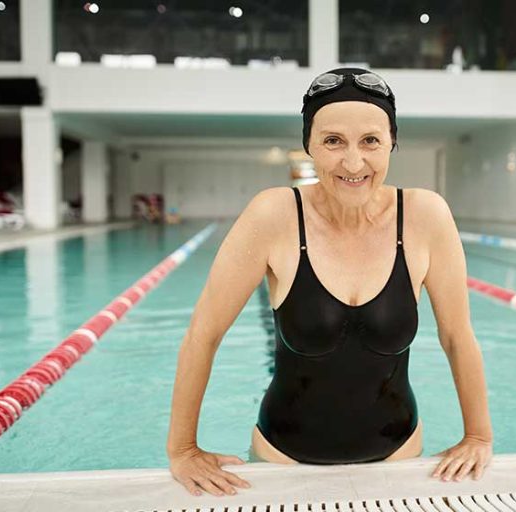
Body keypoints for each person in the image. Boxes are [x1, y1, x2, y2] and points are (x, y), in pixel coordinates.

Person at [167, 68, 493, 498]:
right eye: (333, 141)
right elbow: (202, 334)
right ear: (309, 146)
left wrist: (478, 436)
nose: (353, 163)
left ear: (392, 142)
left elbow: (457, 336)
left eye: (371, 141)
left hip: (398, 455)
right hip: (282, 459)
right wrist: (183, 448)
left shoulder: (424, 216)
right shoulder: (273, 216)